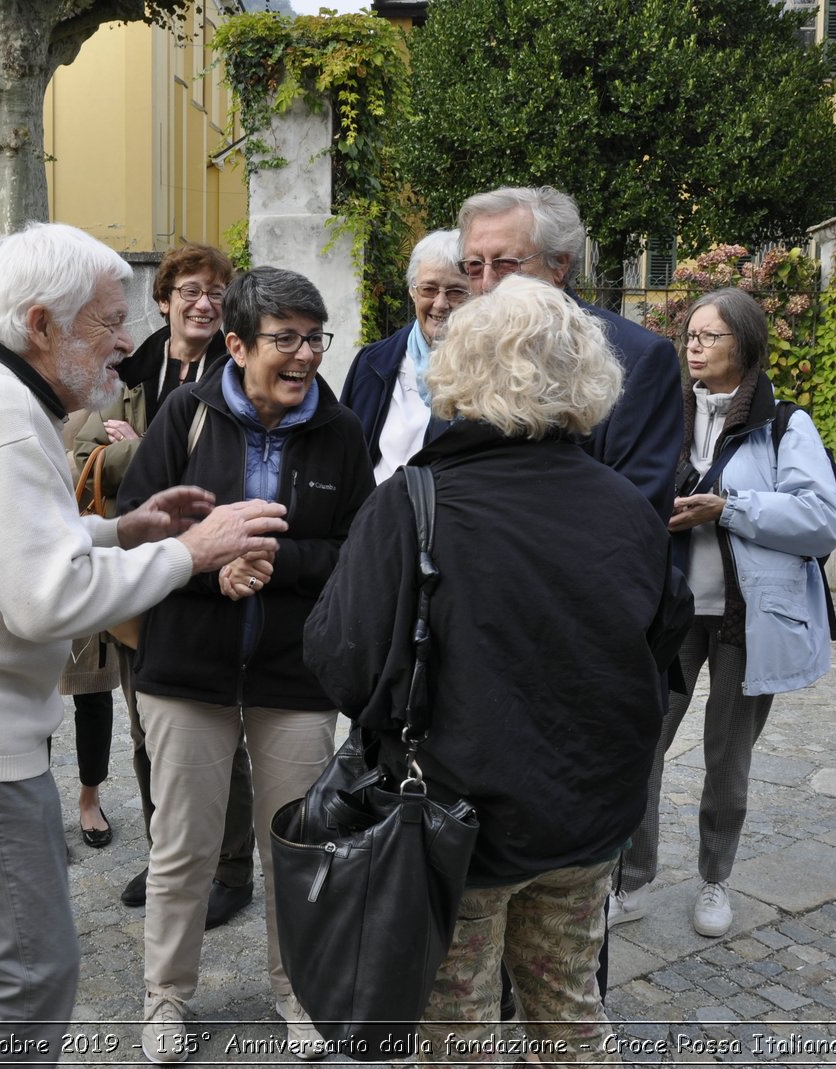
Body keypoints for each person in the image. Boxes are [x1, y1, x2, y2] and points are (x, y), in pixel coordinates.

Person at [0, 222, 288, 1063]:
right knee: (23, 975)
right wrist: (188, 552)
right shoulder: (3, 423)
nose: (125, 342)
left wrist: (120, 532)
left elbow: (5, 548)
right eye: (107, 322)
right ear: (40, 324)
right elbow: (46, 598)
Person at [305, 276, 689, 1061]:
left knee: (456, 1032)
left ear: (460, 369)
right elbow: (662, 647)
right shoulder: (625, 505)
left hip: (454, 824)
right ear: (586, 376)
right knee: (570, 1009)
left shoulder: (412, 502)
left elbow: (340, 663)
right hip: (586, 818)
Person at [118, 266, 373, 1063]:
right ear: (235, 344)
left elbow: (358, 551)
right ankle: (165, 996)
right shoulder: (183, 416)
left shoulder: (341, 430)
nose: (304, 356)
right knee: (184, 843)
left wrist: (270, 559)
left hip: (294, 676)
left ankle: (298, 992)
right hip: (185, 669)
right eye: (285, 339)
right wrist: (208, 566)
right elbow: (138, 530)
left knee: (296, 846)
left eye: (314, 337)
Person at [616, 286, 836, 939]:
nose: (693, 343)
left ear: (743, 345)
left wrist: (729, 509)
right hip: (673, 610)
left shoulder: (785, 425)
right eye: (690, 333)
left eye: (709, 335)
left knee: (727, 756)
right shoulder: (665, 414)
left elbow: (823, 521)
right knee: (640, 740)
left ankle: (715, 879)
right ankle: (629, 879)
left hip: (750, 616)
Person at [72, 242, 258, 921]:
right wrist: (138, 449)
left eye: (215, 290)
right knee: (148, 727)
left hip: (212, 574)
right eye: (189, 289)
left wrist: (138, 445)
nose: (202, 301)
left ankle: (231, 868)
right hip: (136, 577)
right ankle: (166, 852)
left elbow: (223, 469)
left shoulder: (240, 368)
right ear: (165, 299)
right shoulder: (129, 364)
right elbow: (83, 456)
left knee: (216, 726)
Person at [457, 185, 684, 519]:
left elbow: (639, 511)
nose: (487, 283)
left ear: (559, 265)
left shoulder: (638, 358)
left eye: (506, 264)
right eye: (475, 266)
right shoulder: (461, 350)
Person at [340, 228, 470, 482]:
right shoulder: (372, 364)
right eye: (429, 289)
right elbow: (343, 455)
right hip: (377, 515)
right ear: (412, 291)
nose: (441, 303)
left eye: (455, 291)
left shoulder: (489, 372)